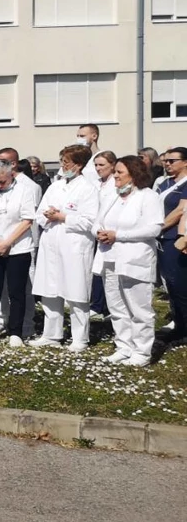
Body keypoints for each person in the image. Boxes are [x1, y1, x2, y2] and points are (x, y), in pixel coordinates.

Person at [93, 157, 163, 366]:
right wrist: (99, 232)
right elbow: (97, 221)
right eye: (114, 171)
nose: (115, 175)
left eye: (119, 172)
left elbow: (154, 228)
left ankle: (142, 352)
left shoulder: (148, 196)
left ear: (134, 173)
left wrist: (119, 235)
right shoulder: (112, 196)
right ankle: (124, 346)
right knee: (117, 306)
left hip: (135, 258)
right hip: (110, 258)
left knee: (139, 308)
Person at [30, 145, 99, 352]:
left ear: (78, 165)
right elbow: (40, 212)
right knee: (49, 289)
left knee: (76, 291)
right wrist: (49, 215)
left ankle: (80, 338)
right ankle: (51, 334)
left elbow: (89, 221)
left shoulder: (88, 189)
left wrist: (63, 217)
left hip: (74, 245)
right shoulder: (55, 186)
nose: (63, 166)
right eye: (62, 161)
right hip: (51, 241)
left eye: (67, 162)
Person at [0, 160, 35, 347]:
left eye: (2, 181)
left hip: (17, 247)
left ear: (11, 174)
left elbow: (27, 220)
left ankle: (16, 331)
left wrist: (7, 242)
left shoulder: (24, 190)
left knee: (16, 291)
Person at [155, 146, 187, 343]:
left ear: (185, 162)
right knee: (171, 286)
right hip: (162, 239)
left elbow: (180, 210)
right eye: (165, 161)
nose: (167, 164)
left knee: (180, 284)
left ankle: (184, 329)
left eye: (172, 161)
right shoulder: (165, 182)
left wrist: (157, 228)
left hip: (175, 238)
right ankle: (178, 322)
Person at [89, 150, 119, 318]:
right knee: (97, 269)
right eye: (96, 165)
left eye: (102, 165)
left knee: (108, 271)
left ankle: (104, 306)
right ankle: (97, 303)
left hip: (108, 231)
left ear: (112, 165)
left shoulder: (115, 184)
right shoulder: (95, 183)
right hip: (94, 229)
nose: (98, 168)